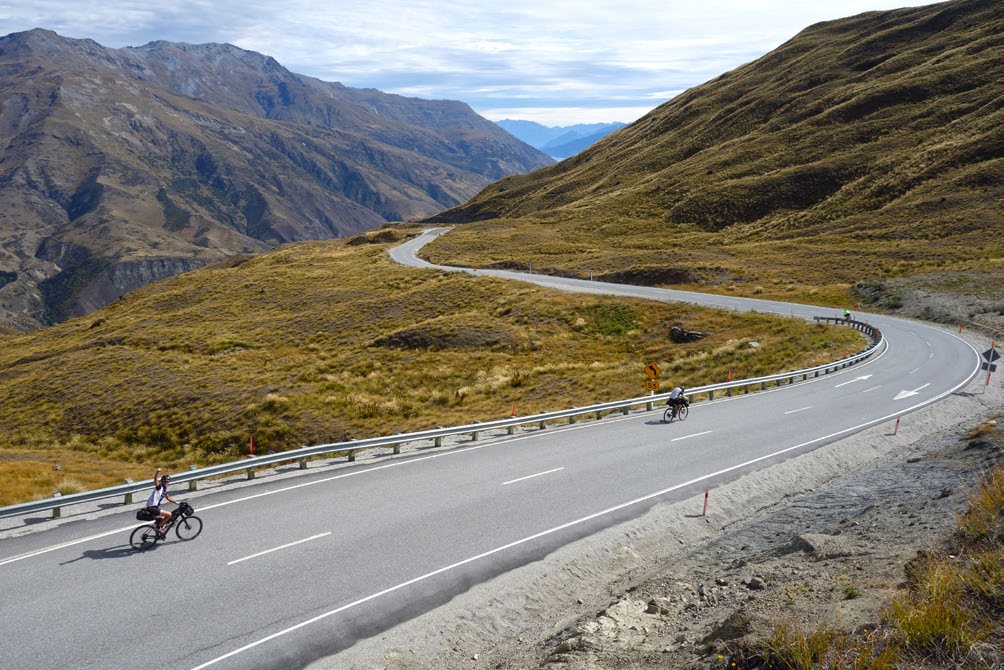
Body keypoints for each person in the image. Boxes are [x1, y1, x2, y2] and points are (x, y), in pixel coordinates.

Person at [146, 469, 177, 538]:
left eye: (167, 481)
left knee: (161, 519)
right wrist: (157, 472)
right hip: (151, 507)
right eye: (165, 481)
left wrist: (177, 502)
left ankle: (158, 532)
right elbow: (155, 481)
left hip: (155, 507)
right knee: (169, 514)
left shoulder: (164, 489)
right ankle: (158, 527)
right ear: (162, 481)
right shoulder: (159, 487)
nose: (166, 482)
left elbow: (168, 498)